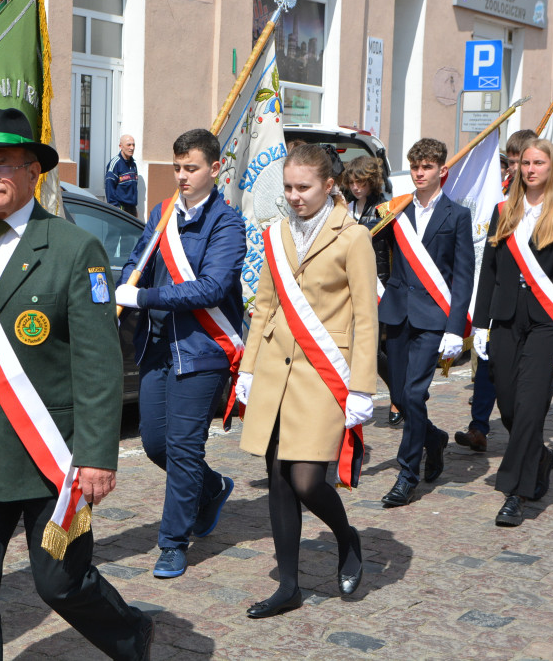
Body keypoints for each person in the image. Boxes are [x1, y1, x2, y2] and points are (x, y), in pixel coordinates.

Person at [0, 108, 154, 660]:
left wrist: (98, 454)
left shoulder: (74, 249)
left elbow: (97, 364)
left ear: (33, 173)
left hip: (48, 455)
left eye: (3, 163)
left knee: (59, 584)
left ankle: (129, 633)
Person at [234, 143, 377, 618]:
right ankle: (289, 584)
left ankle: (346, 536)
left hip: (324, 370)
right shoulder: (277, 233)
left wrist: (362, 385)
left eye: (304, 187)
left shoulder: (352, 236)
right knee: (277, 476)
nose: (294, 196)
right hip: (277, 368)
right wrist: (249, 369)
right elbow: (265, 306)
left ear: (328, 185)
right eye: (289, 187)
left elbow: (365, 317)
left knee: (307, 478)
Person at [115, 128, 245, 579]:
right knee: (154, 443)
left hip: (202, 349)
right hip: (156, 345)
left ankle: (173, 542)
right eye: (177, 168)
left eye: (191, 168)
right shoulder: (162, 213)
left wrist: (145, 299)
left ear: (215, 169)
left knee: (184, 448)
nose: (182, 176)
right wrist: (129, 281)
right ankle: (212, 487)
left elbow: (212, 286)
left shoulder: (227, 223)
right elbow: (140, 258)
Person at [473, 137, 553, 527]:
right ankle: (540, 457)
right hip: (505, 319)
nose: (531, 169)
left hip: (548, 324)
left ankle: (515, 491)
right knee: (509, 404)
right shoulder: (503, 210)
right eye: (525, 163)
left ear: (552, 168)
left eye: (539, 162)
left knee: (532, 404)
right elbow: (488, 271)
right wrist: (479, 323)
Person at [376, 139, 474, 506]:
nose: (420, 172)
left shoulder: (457, 215)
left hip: (433, 317)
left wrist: (454, 327)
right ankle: (433, 439)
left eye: (427, 166)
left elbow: (463, 277)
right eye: (415, 166)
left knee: (415, 394)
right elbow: (372, 242)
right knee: (401, 397)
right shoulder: (396, 210)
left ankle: (407, 474)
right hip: (398, 312)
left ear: (441, 171)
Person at [455, 128, 536, 453]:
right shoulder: (497, 193)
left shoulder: (548, 198)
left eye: (521, 161)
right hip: (496, 294)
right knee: (486, 363)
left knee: (523, 375)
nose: (515, 168)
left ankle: (524, 436)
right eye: (512, 161)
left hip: (532, 299)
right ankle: (478, 426)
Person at [343, 156, 403, 426]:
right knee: (354, 343)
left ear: (372, 182)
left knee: (375, 346)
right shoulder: (346, 207)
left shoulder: (384, 210)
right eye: (353, 182)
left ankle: (397, 394)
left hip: (379, 284)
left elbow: (396, 250)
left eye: (361, 182)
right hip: (351, 284)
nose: (356, 187)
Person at [105, 134, 139, 217]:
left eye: (133, 145)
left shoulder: (133, 165)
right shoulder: (115, 163)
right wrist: (115, 207)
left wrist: (134, 210)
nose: (132, 148)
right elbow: (109, 186)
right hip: (119, 209)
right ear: (121, 146)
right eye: (129, 145)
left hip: (132, 210)